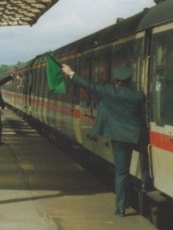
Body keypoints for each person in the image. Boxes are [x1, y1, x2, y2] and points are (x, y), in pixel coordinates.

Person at [61, 63, 151, 216]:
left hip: (118, 138)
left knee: (121, 172)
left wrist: (71, 73)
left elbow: (89, 85)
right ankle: (144, 184)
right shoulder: (138, 96)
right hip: (135, 137)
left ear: (116, 80)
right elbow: (144, 116)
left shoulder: (109, 92)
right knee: (147, 158)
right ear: (130, 81)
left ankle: (121, 208)